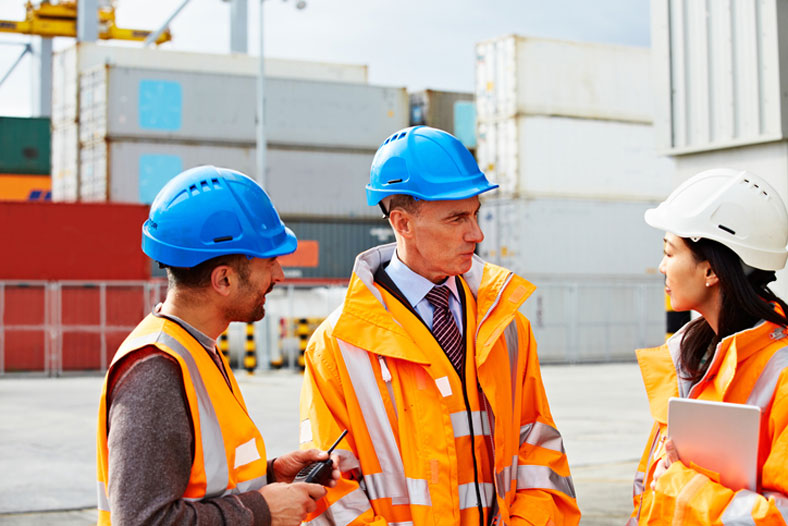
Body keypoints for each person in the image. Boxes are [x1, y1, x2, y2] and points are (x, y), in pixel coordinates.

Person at [298, 126, 580, 526]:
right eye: (456, 218)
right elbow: (333, 494)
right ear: (403, 223)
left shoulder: (507, 326)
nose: (476, 234)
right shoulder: (338, 345)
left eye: (476, 214)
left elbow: (539, 450)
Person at [96, 165, 337, 526]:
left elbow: (203, 485)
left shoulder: (195, 350)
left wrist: (272, 477)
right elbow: (143, 520)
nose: (279, 275)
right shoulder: (155, 371)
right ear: (223, 279)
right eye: (269, 260)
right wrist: (262, 509)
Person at [628, 168, 788, 525]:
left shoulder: (783, 376)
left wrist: (681, 485)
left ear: (711, 271)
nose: (661, 267)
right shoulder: (690, 361)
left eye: (669, 252)